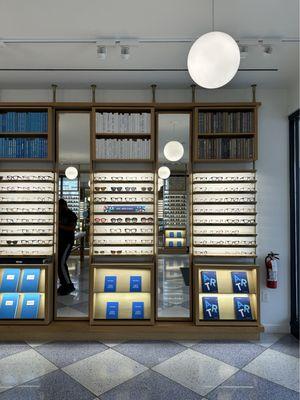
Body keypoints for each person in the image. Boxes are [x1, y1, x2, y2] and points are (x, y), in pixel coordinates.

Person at [57, 198, 77, 295]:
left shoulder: (71, 215)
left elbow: (71, 228)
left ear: (64, 206)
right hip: (59, 242)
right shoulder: (58, 214)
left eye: (61, 207)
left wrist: (58, 226)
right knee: (59, 263)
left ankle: (68, 285)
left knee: (61, 263)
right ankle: (64, 283)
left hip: (67, 242)